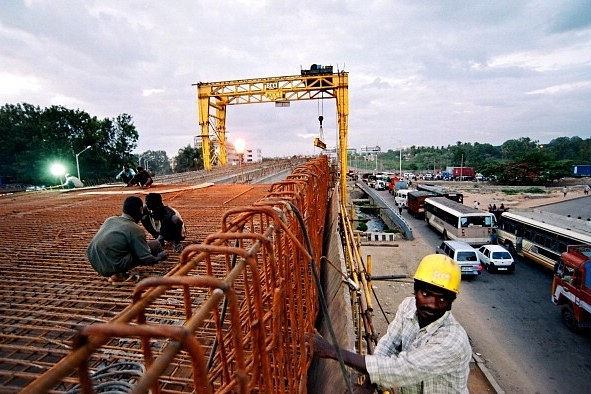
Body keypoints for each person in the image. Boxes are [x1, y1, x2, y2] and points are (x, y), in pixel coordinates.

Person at [312, 254, 471, 393]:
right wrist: (369, 384)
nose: (432, 304)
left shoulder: (452, 341)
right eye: (426, 293)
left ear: (451, 303)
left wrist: (333, 351)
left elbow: (403, 369)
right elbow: (388, 345)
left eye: (442, 299)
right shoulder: (408, 307)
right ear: (415, 290)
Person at [86, 196, 167, 282]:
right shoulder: (135, 229)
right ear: (140, 210)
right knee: (154, 246)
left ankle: (116, 272)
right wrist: (159, 258)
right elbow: (147, 260)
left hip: (95, 262)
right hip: (112, 265)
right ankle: (118, 274)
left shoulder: (110, 219)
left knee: (152, 245)